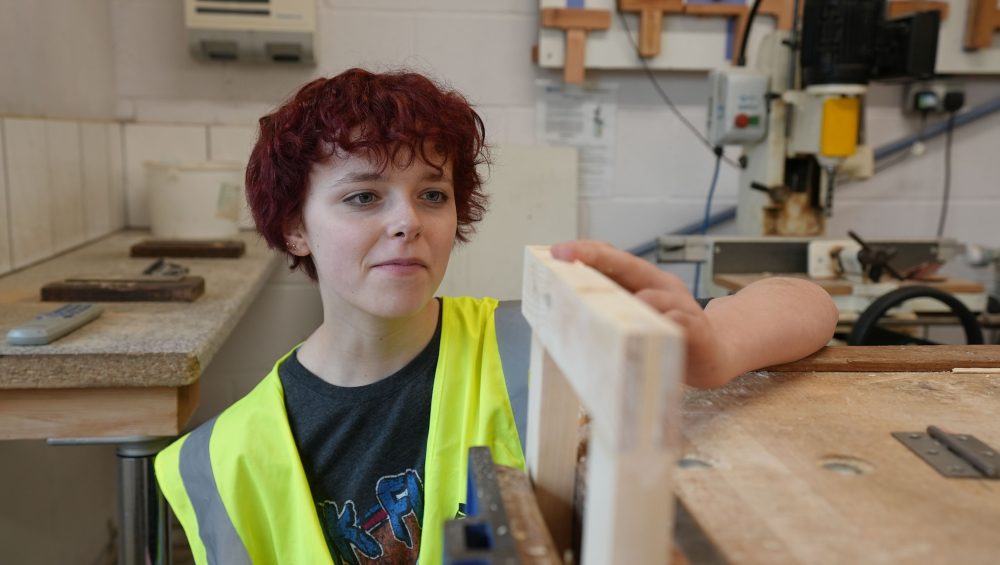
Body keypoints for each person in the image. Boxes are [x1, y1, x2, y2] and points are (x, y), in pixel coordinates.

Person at [154, 68, 838, 565]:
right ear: (294, 227)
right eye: (364, 197)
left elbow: (810, 305)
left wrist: (713, 346)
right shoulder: (217, 461)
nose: (407, 223)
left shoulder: (531, 342)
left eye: (431, 193)